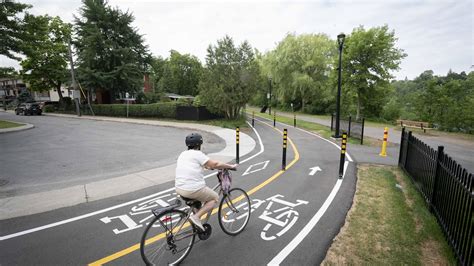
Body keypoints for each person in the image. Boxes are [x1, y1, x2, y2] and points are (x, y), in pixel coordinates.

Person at [175, 132, 237, 231]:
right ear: (199, 144)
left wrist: (208, 166)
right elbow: (215, 164)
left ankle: (196, 224)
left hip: (179, 188)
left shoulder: (183, 154)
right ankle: (196, 217)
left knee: (197, 201)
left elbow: (195, 165)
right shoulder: (198, 154)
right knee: (214, 198)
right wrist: (230, 166)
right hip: (192, 189)